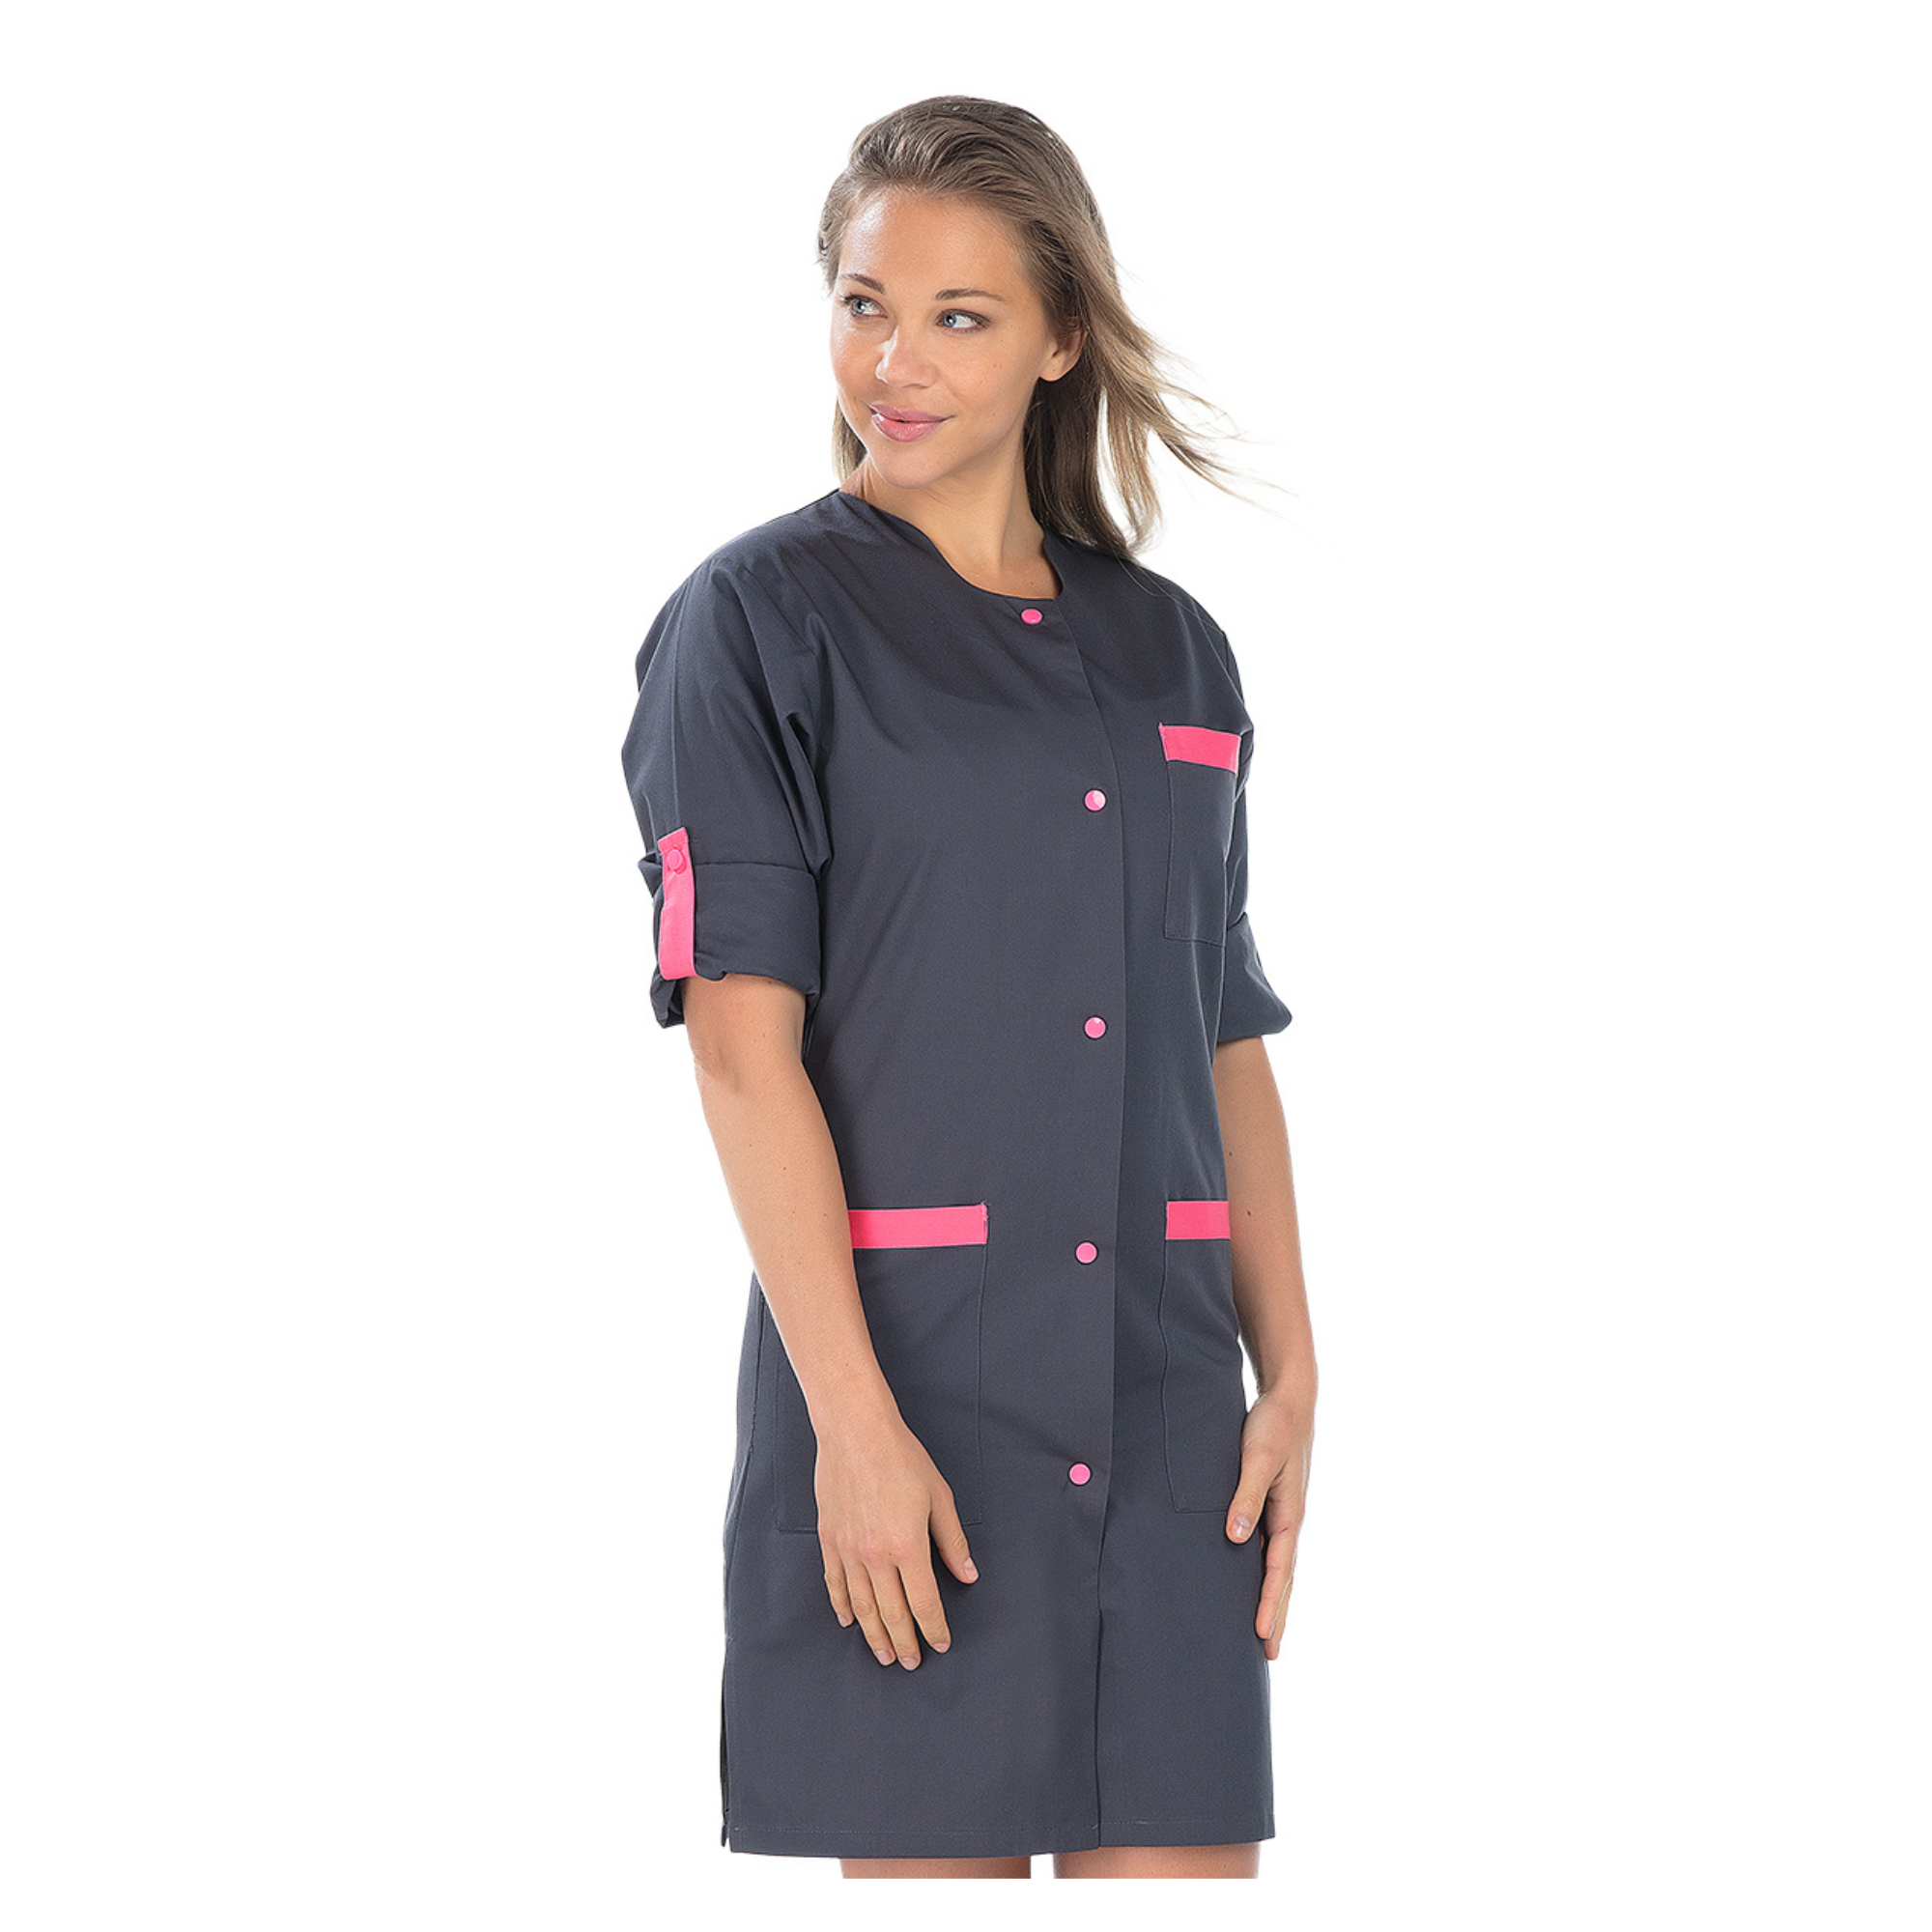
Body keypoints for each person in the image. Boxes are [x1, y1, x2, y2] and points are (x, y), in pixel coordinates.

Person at [619, 96, 1317, 1879]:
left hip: (1171, 1425)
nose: (895, 363)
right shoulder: (754, 625)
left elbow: (1222, 1028)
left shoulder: (1175, 650)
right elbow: (742, 1058)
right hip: (912, 1413)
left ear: (1062, 336)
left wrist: (1295, 1368)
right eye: (864, 305)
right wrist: (853, 1429)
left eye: (960, 316)